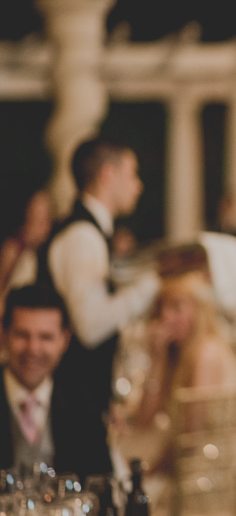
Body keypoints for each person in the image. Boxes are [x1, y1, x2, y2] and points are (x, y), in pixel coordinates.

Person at [36, 137, 160, 418]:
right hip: (74, 404)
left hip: (86, 399)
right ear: (107, 175)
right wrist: (152, 284)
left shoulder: (89, 232)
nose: (137, 185)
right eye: (132, 174)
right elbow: (90, 327)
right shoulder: (83, 236)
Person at [0, 284, 113, 480]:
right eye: (22, 335)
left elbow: (101, 484)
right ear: (3, 334)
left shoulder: (84, 402)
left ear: (65, 340)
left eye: (46, 337)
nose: (33, 349)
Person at [133, 268, 236, 470]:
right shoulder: (177, 354)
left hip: (206, 470)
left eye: (176, 307)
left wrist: (154, 468)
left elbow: (192, 435)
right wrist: (157, 360)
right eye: (161, 308)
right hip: (185, 462)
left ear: (199, 311)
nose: (165, 316)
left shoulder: (207, 352)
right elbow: (144, 420)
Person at [0, 189, 53, 302]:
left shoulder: (51, 250)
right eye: (36, 219)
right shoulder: (13, 248)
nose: (43, 228)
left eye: (45, 219)